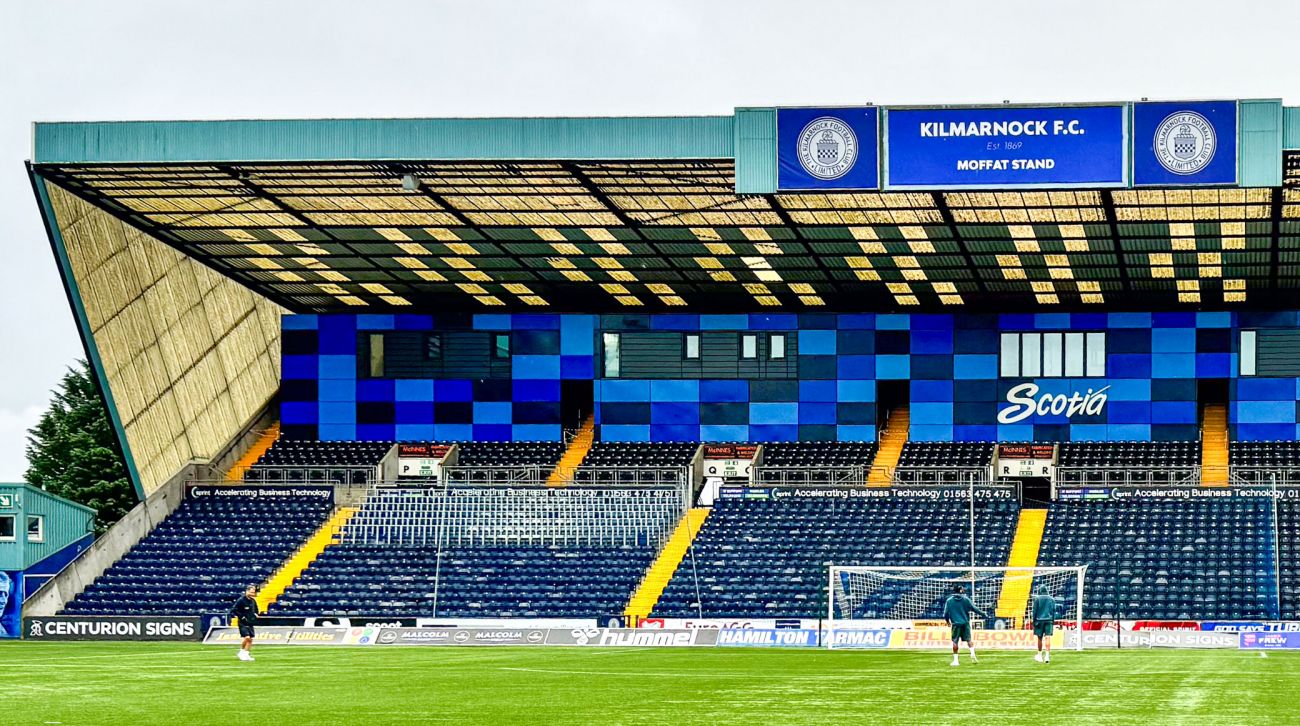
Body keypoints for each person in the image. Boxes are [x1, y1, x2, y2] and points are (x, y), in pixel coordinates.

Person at [943, 584, 986, 667]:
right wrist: (983, 614)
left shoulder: (949, 601)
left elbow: (945, 614)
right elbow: (975, 609)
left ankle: (956, 661)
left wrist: (948, 622)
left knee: (955, 641)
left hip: (956, 624)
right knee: (969, 640)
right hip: (965, 623)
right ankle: (972, 654)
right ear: (961, 590)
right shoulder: (966, 599)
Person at [230, 585, 260, 661]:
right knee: (247, 638)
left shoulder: (253, 601)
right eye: (251, 592)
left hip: (250, 622)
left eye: (253, 592)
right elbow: (234, 609)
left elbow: (256, 609)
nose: (252, 593)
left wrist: (256, 614)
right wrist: (242, 617)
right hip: (243, 622)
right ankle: (241, 652)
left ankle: (246, 654)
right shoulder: (241, 600)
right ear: (247, 591)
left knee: (251, 639)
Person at [1031, 584, 1060, 663]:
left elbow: (1034, 611)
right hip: (1049, 620)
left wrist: (1034, 621)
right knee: (1048, 637)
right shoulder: (1052, 599)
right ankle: (1047, 656)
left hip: (1039, 620)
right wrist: (1053, 621)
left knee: (1039, 638)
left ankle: (1040, 655)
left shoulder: (1037, 599)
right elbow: (1053, 611)